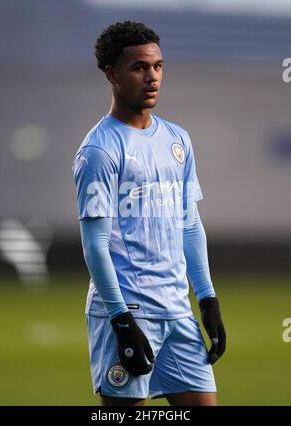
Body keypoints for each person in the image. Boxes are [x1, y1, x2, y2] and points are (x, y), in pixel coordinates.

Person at [73, 21, 226, 407]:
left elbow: (189, 224)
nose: (152, 76)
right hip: (128, 310)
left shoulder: (177, 139)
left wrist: (207, 299)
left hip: (177, 310)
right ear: (112, 74)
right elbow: (95, 245)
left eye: (157, 66)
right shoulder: (99, 151)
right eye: (139, 67)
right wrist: (121, 320)